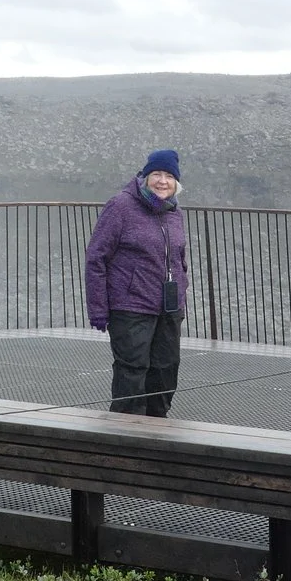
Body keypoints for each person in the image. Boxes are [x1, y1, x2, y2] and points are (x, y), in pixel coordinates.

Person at [85, 149, 189, 415]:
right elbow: (96, 258)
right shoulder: (121, 206)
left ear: (176, 183)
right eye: (156, 174)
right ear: (145, 177)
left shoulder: (175, 212)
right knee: (132, 372)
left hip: (167, 309)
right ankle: (125, 437)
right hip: (130, 307)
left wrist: (180, 300)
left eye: (169, 176)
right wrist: (98, 309)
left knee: (166, 370)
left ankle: (157, 428)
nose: (162, 181)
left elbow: (179, 259)